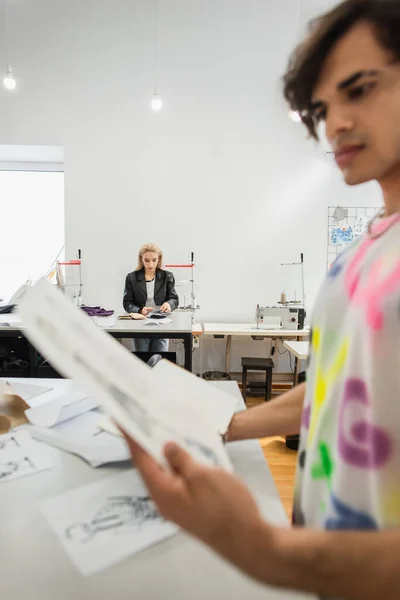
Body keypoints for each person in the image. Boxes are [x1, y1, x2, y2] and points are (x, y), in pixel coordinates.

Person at [125, 1, 400, 598]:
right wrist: (222, 425)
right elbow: (334, 389)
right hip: (324, 558)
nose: (335, 125)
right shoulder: (360, 254)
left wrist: (263, 547)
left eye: (360, 90)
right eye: (325, 108)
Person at [123, 243, 179, 353]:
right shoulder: (131, 278)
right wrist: (139, 310)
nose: (151, 264)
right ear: (141, 260)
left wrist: (168, 304)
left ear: (159, 259)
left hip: (162, 323)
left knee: (159, 360)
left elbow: (174, 299)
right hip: (141, 324)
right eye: (147, 260)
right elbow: (127, 302)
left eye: (154, 260)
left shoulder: (168, 276)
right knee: (144, 362)